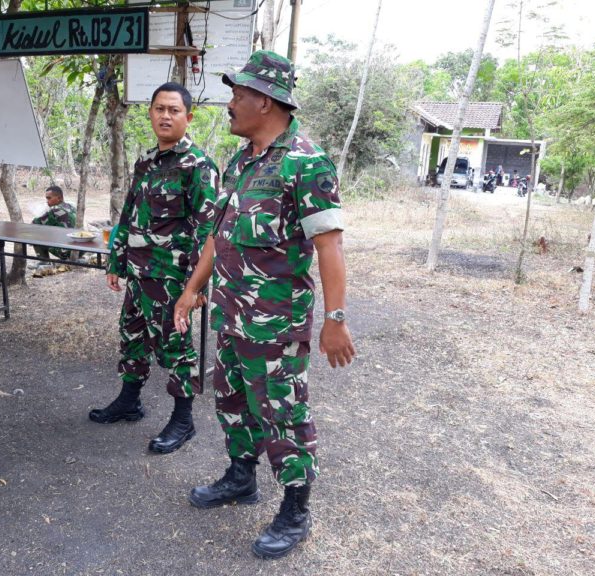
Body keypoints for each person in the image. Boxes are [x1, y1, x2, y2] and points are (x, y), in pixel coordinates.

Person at [173, 51, 356, 559]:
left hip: (276, 324)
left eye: (238, 95)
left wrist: (336, 320)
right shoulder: (244, 159)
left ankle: (296, 510)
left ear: (266, 102)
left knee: (282, 413)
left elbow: (329, 247)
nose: (230, 104)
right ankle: (240, 478)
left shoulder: (306, 161)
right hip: (232, 316)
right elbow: (220, 232)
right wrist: (193, 288)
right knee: (231, 400)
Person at [89, 82, 219, 455]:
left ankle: (183, 419)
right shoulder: (145, 162)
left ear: (188, 117)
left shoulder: (198, 166)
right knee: (131, 338)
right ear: (150, 113)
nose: (165, 116)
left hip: (172, 278)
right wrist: (117, 259)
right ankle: (129, 401)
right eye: (159, 109)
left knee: (175, 347)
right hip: (139, 274)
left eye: (173, 110)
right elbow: (129, 213)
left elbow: (207, 230)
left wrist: (196, 287)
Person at [30, 185, 76, 265]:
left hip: (66, 252)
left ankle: (44, 262)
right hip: (80, 250)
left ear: (59, 198)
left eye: (49, 198)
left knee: (35, 233)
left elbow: (33, 224)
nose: (47, 201)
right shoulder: (71, 207)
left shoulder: (54, 211)